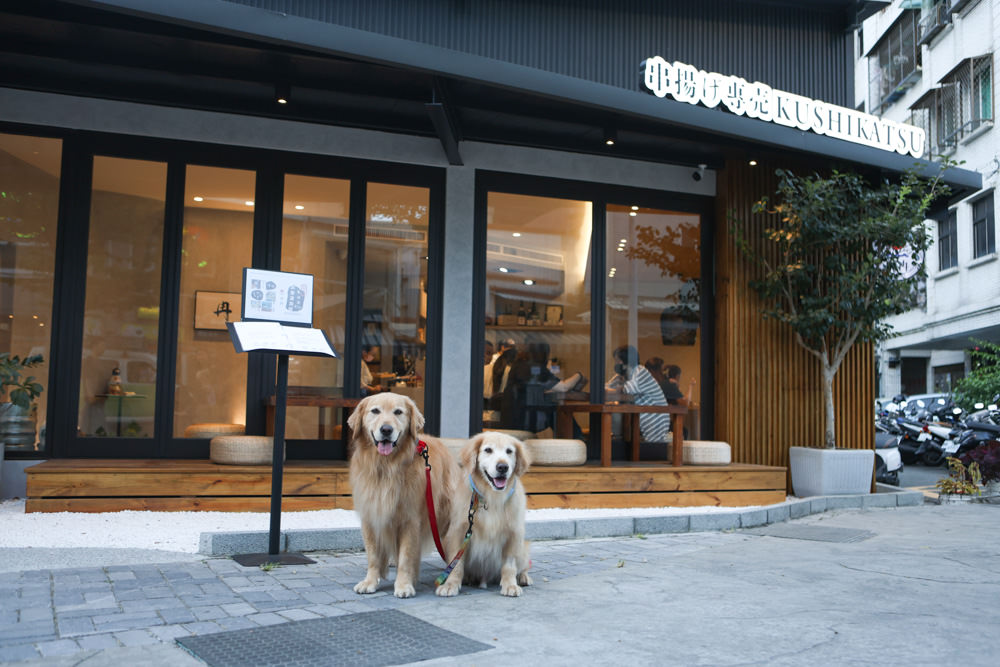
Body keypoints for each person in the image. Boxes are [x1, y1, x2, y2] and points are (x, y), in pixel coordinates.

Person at [606, 345, 670, 442]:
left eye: (618, 360)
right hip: (644, 416)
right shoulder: (624, 374)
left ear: (625, 360)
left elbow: (626, 390)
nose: (616, 363)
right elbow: (608, 386)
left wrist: (613, 390)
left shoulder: (640, 371)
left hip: (656, 418)